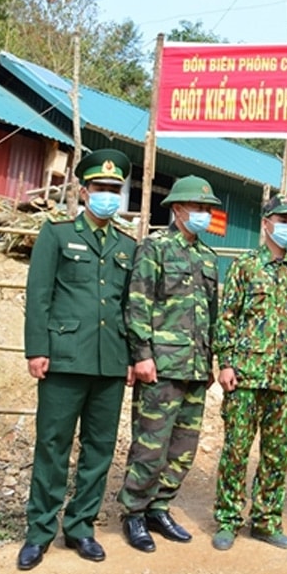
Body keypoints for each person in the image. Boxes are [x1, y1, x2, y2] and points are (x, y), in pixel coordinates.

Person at [18, 149, 137, 570]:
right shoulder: (56, 233)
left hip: (110, 361)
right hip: (64, 358)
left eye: (114, 190)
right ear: (85, 191)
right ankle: (39, 532)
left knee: (99, 449)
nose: (108, 195)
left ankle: (81, 527)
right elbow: (39, 296)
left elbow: (129, 306)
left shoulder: (128, 244)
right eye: (101, 188)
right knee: (52, 445)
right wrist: (37, 348)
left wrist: (131, 357)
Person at [118, 175, 222, 553]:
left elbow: (211, 316)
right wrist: (141, 355)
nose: (203, 215)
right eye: (197, 208)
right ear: (177, 209)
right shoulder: (155, 248)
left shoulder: (207, 258)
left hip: (195, 368)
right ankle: (133, 511)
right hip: (160, 365)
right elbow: (138, 302)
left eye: (207, 209)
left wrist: (210, 360)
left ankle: (159, 508)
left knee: (182, 448)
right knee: (151, 444)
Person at [211, 194, 287, 551]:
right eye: (283, 219)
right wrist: (225, 362)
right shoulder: (245, 267)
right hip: (245, 375)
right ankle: (228, 519)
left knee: (277, 452)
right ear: (266, 223)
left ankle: (266, 520)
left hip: (286, 379)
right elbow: (226, 317)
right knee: (236, 450)